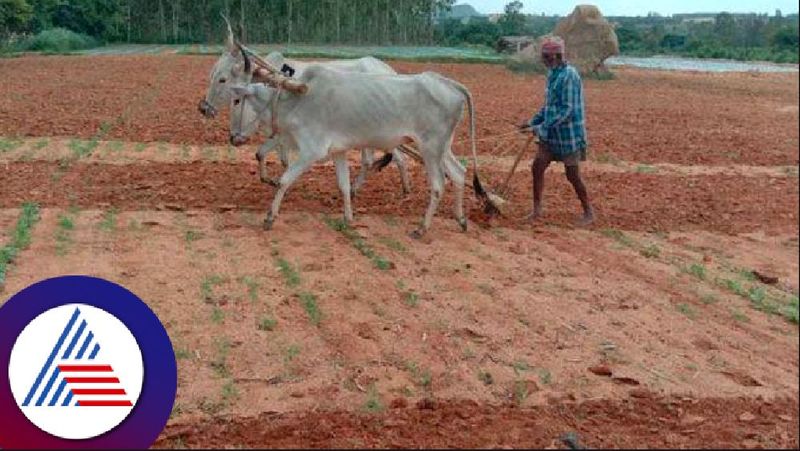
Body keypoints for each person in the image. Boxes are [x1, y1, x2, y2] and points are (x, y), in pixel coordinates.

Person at [521, 36, 594, 226]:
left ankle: (589, 212)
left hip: (569, 136)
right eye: (543, 56)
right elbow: (549, 107)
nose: (543, 60)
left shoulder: (569, 75)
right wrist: (531, 122)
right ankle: (537, 210)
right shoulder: (553, 74)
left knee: (572, 175)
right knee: (537, 167)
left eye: (546, 56)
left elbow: (566, 110)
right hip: (551, 135)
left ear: (556, 56)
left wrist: (539, 127)